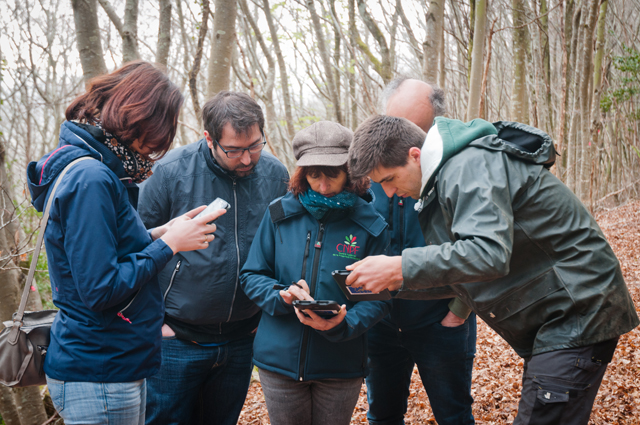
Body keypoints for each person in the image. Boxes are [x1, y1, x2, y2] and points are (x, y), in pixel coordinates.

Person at [346, 114, 640, 425]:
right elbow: (469, 272)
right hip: (559, 315)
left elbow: (488, 254)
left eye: (389, 179)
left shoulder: (467, 165)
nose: (389, 193)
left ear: (414, 156)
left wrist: (401, 266)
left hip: (577, 309)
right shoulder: (451, 173)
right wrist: (391, 284)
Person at [26, 61, 224, 425]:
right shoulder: (92, 178)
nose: (155, 147)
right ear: (136, 116)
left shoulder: (97, 170)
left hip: (111, 364)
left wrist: (160, 233)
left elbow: (100, 252)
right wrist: (170, 247)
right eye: (157, 131)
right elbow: (100, 289)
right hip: (98, 370)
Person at [138, 91, 289, 425]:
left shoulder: (276, 174)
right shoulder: (168, 173)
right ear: (209, 139)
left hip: (242, 337)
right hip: (176, 338)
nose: (248, 159)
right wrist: (152, 320)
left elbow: (284, 248)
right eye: (234, 150)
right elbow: (137, 248)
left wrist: (269, 311)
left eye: (255, 145)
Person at [240, 121, 392, 425]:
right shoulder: (279, 215)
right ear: (302, 173)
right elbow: (252, 275)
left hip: (340, 364)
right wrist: (279, 296)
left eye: (332, 174)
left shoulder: (370, 225)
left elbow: (379, 298)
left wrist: (344, 323)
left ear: (350, 171)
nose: (323, 185)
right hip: (279, 362)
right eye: (314, 175)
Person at [366, 78, 476, 425]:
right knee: (382, 414)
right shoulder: (370, 167)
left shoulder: (461, 169)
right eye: (392, 124)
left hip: (440, 318)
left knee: (453, 414)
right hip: (380, 320)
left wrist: (459, 310)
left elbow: (482, 246)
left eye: (413, 130)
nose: (398, 141)